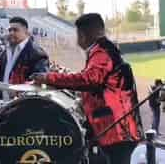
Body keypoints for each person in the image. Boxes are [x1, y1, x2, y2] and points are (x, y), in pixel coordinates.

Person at [31, 13, 142, 164]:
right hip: (117, 129)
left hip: (116, 130)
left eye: (78, 34)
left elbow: (89, 79)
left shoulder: (101, 51)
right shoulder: (104, 49)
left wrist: (49, 78)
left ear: (83, 35)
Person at [0, 16, 49, 100]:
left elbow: (40, 81)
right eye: (10, 30)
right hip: (4, 105)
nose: (11, 33)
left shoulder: (37, 53)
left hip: (24, 105)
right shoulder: (5, 53)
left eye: (15, 30)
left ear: (26, 31)